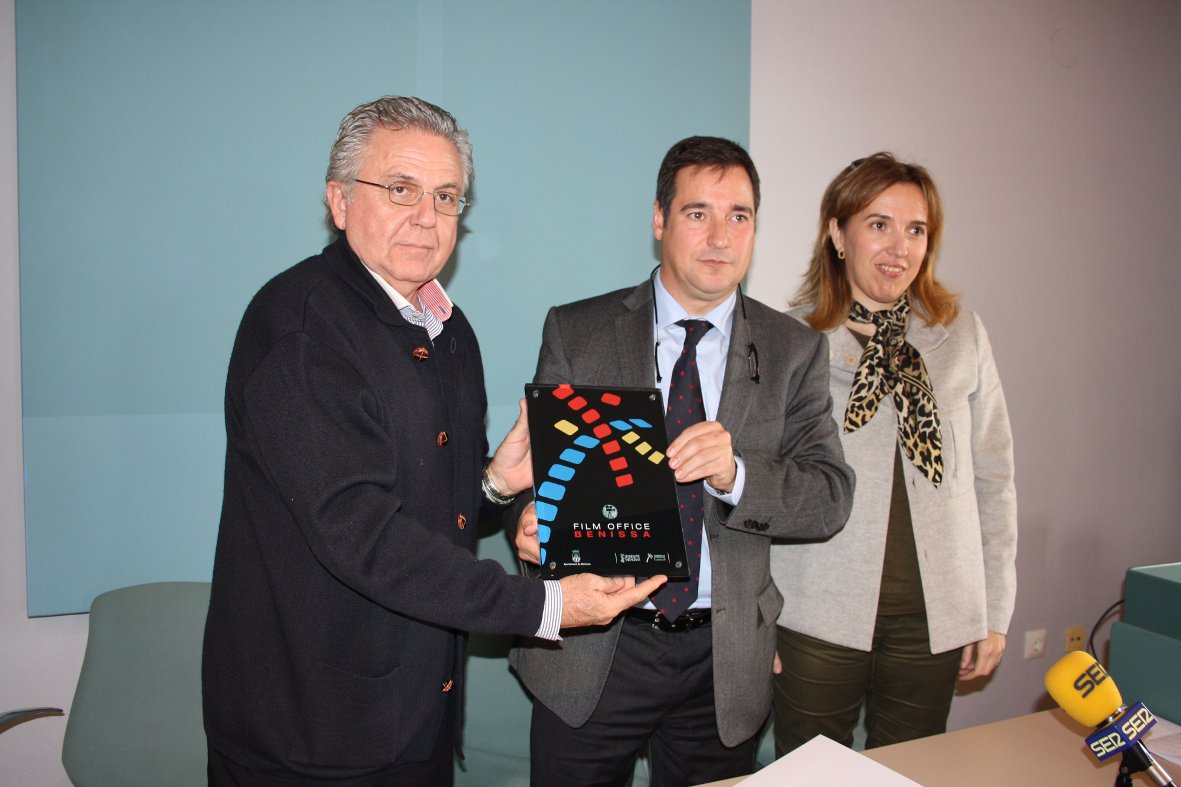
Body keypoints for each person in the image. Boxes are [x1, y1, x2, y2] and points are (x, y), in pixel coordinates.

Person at [201, 95, 665, 786]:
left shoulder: (449, 329)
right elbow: (361, 532)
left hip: (419, 715)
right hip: (309, 733)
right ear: (339, 200)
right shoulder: (301, 327)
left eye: (446, 196)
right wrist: (546, 605)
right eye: (400, 189)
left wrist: (494, 484)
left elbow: (424, 509)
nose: (427, 215)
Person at [509, 136, 855, 787]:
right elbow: (537, 476)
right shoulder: (578, 331)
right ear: (659, 220)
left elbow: (830, 495)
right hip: (595, 644)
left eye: (739, 216)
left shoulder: (793, 349)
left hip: (720, 660)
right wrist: (529, 524)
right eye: (698, 213)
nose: (720, 237)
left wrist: (737, 474)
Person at [769, 152, 1018, 756]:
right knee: (812, 772)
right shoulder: (788, 339)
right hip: (816, 611)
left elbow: (994, 478)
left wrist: (994, 609)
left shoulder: (961, 334)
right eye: (879, 224)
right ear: (838, 233)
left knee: (912, 769)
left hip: (933, 617)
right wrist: (754, 613)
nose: (899, 248)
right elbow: (758, 486)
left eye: (916, 230)